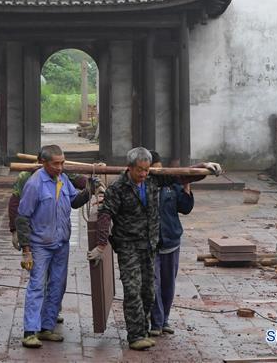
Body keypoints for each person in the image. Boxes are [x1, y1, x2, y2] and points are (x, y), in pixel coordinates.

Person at [90, 147, 220, 351]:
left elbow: (180, 176)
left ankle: (142, 330)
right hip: (128, 247)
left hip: (149, 247)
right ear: (130, 167)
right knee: (132, 291)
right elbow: (106, 214)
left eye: (146, 170)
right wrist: (100, 244)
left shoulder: (153, 180)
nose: (143, 174)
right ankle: (135, 336)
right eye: (139, 170)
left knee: (148, 292)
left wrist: (203, 168)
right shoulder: (118, 188)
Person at [15, 145, 99, 348]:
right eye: (56, 164)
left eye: (62, 163)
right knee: (36, 285)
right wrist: (26, 249)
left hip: (61, 243)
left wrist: (89, 190)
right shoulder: (35, 184)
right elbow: (23, 216)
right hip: (40, 244)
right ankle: (30, 332)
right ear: (44, 163)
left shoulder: (62, 180)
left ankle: (47, 327)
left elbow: (74, 202)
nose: (60, 167)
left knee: (58, 285)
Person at [147, 152, 193, 338]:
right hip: (151, 244)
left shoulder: (171, 185)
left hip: (171, 241)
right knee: (153, 284)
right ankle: (156, 323)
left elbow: (185, 207)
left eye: (159, 168)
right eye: (153, 169)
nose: (157, 172)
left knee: (168, 284)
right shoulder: (143, 186)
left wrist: (186, 184)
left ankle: (164, 320)